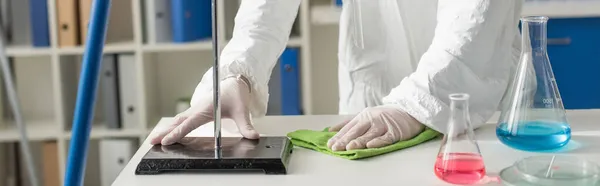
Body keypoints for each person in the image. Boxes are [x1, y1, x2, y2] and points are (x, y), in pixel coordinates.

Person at [149, 0, 523, 151]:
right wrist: (238, 71)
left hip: (468, 91)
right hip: (372, 82)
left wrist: (419, 102)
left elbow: (478, 14)